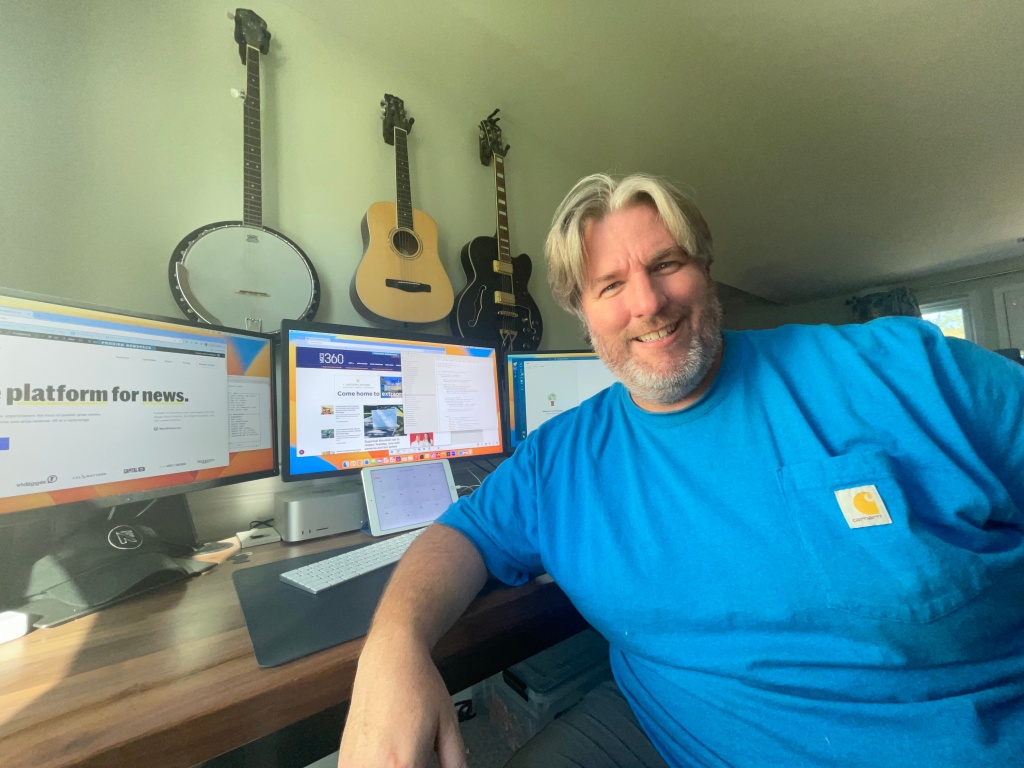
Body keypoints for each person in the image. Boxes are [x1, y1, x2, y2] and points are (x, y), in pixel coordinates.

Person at [338, 173, 1024, 767]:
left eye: (665, 265)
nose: (646, 303)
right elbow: (464, 533)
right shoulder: (560, 458)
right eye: (610, 285)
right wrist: (392, 645)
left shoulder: (905, 370)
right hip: (677, 737)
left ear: (706, 268)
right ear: (582, 314)